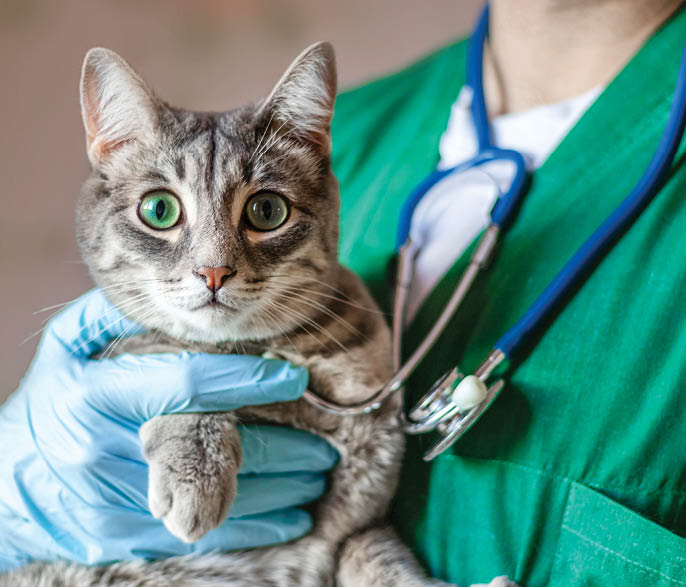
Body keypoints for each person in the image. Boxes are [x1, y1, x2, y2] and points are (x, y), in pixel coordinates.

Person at [1, 0, 684, 584]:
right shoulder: (354, 126)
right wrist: (13, 502)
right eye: (161, 212)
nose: (213, 267)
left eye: (263, 213)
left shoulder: (294, 157)